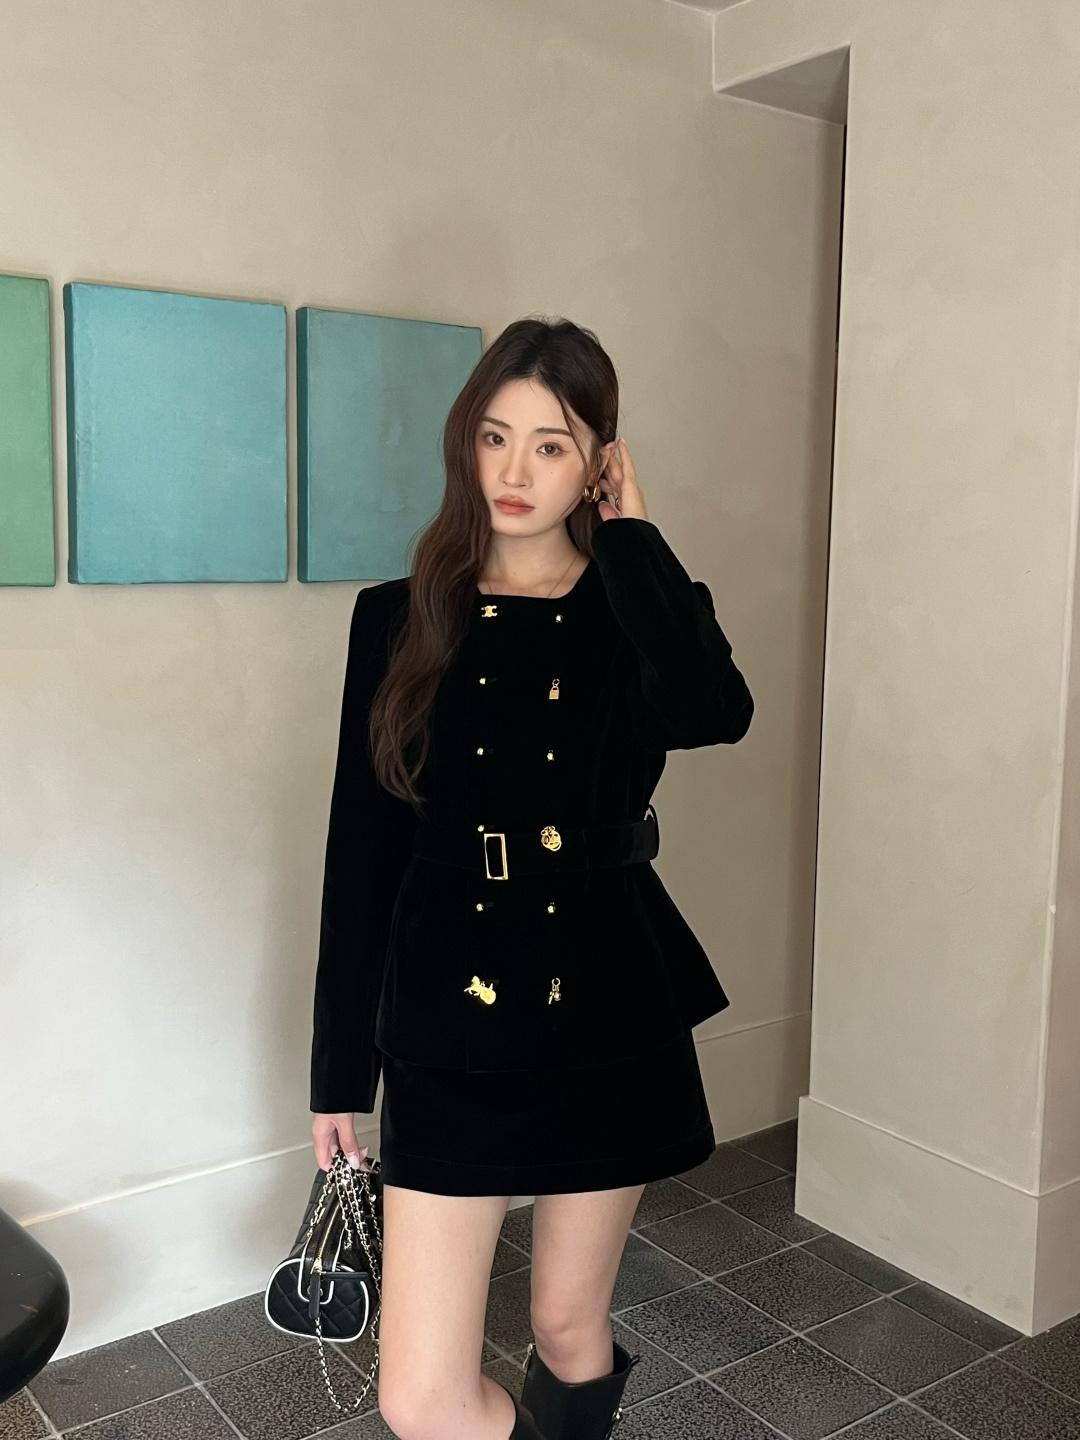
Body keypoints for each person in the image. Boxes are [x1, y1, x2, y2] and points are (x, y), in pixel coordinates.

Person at [308, 316, 754, 1440]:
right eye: (495, 437)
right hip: (446, 1010)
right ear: (465, 442)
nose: (514, 471)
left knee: (565, 1324)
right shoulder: (397, 616)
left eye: (552, 445)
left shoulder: (635, 608)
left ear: (600, 460)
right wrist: (336, 1072)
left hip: (606, 999)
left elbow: (716, 711)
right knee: (420, 1395)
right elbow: (361, 852)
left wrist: (635, 539)